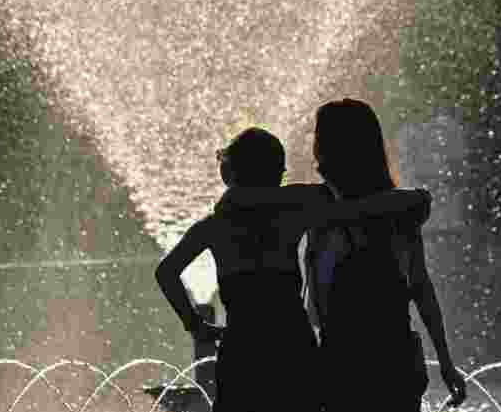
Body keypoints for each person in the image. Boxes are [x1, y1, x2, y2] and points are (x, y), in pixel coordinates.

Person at [155, 127, 432, 412]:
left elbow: (166, 272)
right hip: (293, 347)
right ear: (277, 174)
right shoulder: (293, 214)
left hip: (243, 348)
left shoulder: (212, 227)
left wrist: (195, 325)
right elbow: (354, 208)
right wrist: (411, 197)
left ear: (229, 174)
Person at [221, 100, 467, 411]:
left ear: (337, 147)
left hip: (374, 364)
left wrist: (446, 362)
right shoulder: (378, 206)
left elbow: (420, 286)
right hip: (360, 361)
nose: (313, 146)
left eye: (318, 137)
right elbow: (236, 201)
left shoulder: (386, 209)